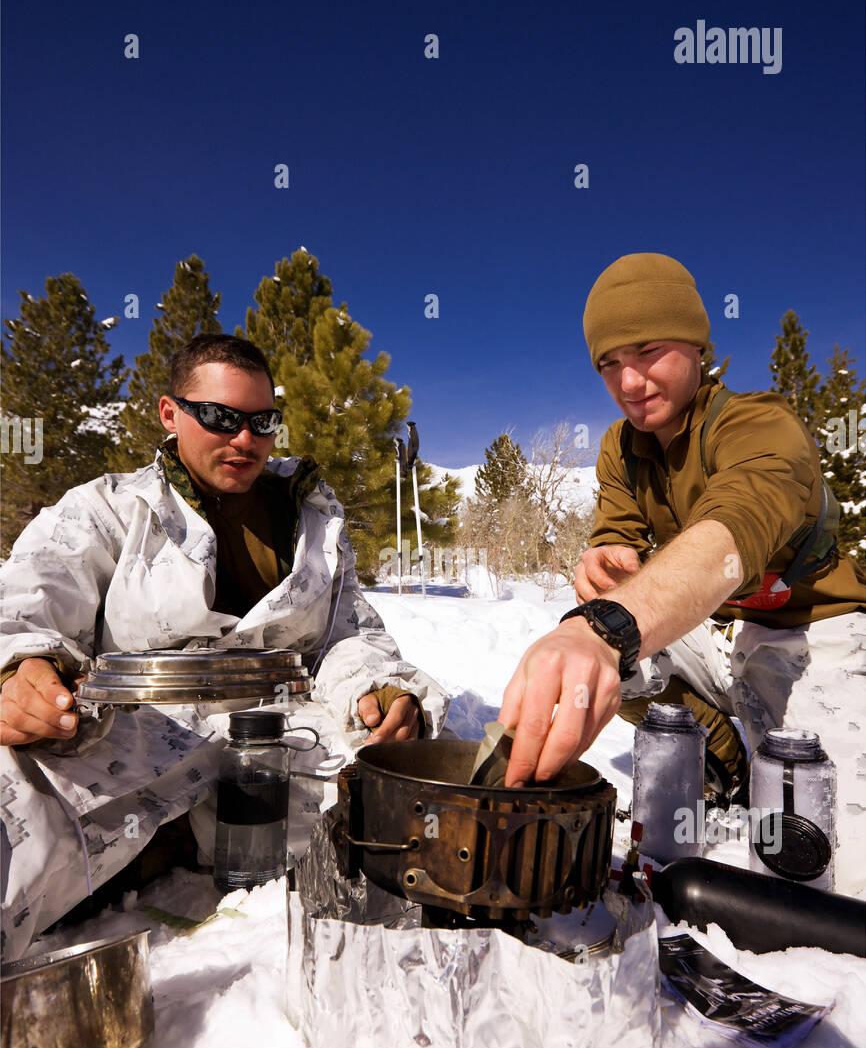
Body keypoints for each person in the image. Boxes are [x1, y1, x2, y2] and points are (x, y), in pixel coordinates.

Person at [0, 334, 448, 958]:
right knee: (12, 796)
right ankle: (141, 846)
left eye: (262, 422)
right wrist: (22, 668)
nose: (244, 440)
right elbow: (35, 591)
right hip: (136, 727)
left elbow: (348, 635)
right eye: (219, 418)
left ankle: (179, 846)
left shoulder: (312, 518)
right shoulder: (108, 509)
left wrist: (375, 689)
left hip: (283, 727)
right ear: (169, 413)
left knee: (417, 794)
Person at [500, 253, 866, 893]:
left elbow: (738, 526)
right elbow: (615, 531)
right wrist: (605, 565)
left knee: (837, 865)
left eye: (647, 349)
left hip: (809, 633)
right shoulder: (619, 446)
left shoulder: (759, 423)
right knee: (617, 668)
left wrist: (609, 626)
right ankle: (723, 760)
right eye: (608, 363)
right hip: (711, 634)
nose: (629, 380)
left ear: (698, 344)